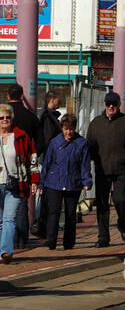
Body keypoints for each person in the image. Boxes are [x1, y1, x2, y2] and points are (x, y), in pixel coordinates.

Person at [86, 91, 125, 247]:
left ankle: (122, 223)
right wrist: (92, 159)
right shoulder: (96, 123)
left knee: (121, 199)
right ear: (104, 105)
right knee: (102, 205)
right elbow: (89, 145)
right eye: (108, 104)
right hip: (102, 169)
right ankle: (103, 237)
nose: (111, 107)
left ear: (119, 105)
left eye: (114, 104)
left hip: (121, 169)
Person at [41, 114, 92, 250]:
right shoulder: (55, 142)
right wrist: (42, 182)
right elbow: (47, 163)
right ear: (62, 128)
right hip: (54, 182)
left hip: (73, 182)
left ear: (74, 128)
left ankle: (69, 243)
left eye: (71, 129)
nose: (68, 132)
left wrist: (87, 181)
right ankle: (51, 240)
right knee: (53, 212)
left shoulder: (82, 143)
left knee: (70, 214)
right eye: (65, 129)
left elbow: (84, 165)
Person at [0, 102, 36, 264]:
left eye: (8, 117)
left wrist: (34, 180)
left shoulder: (21, 136)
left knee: (9, 218)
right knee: (1, 221)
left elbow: (32, 159)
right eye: (1, 118)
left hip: (15, 184)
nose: (5, 120)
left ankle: (5, 252)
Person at [34, 90, 64, 236]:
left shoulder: (48, 117)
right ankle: (41, 222)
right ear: (52, 100)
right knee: (46, 192)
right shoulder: (48, 118)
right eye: (58, 99)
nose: (60, 102)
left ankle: (42, 222)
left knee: (46, 192)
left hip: (48, 158)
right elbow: (47, 139)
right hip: (50, 160)